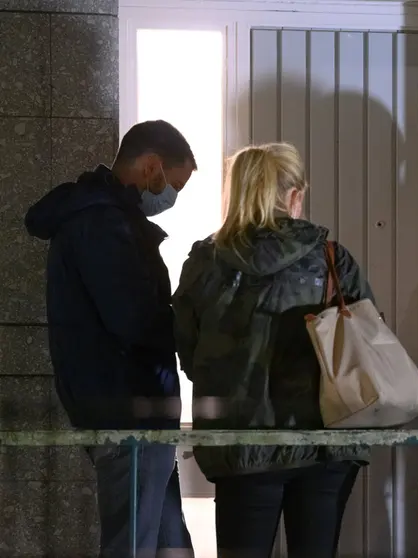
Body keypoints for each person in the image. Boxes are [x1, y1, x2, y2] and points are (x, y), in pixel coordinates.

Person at [172, 143, 371, 558]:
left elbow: (188, 352)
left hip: (241, 445)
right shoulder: (331, 258)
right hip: (323, 443)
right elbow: (367, 346)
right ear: (294, 195)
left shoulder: (205, 261)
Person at [24, 120, 196, 556]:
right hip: (127, 411)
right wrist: (193, 321)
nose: (171, 197)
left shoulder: (101, 217)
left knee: (166, 543)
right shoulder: (103, 224)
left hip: (129, 410)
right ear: (152, 167)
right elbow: (133, 319)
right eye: (173, 184)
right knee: (134, 545)